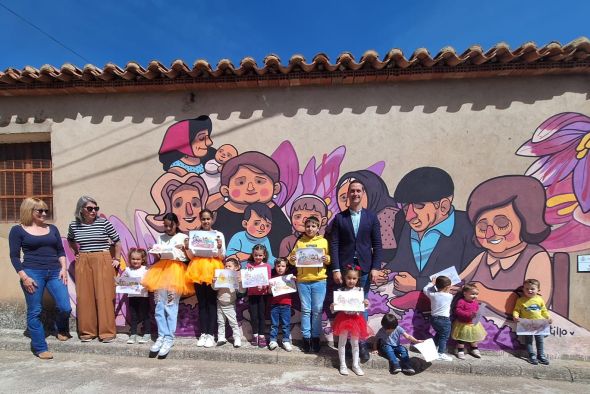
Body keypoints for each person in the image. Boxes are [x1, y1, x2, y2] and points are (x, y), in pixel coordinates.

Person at [385, 167, 481, 311]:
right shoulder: (408, 226)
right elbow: (401, 261)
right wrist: (386, 272)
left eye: (419, 206)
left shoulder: (468, 229)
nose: (409, 216)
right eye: (406, 207)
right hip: (408, 312)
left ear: (443, 206)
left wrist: (418, 284)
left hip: (448, 310)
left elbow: (465, 278)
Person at [460, 175, 552, 316]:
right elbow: (458, 279)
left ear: (527, 221)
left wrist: (484, 293)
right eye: (482, 227)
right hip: (481, 326)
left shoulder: (535, 256)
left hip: (514, 330)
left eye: (502, 224)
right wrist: (441, 281)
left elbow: (536, 302)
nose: (489, 234)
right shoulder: (484, 257)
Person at [9, 198, 72, 359]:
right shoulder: (18, 230)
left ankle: (61, 328)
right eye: (40, 211)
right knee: (35, 311)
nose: (44, 214)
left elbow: (60, 250)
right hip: (32, 273)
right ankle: (40, 347)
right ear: (29, 211)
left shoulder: (52, 228)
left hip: (55, 272)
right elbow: (15, 257)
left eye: (46, 210)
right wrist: (24, 277)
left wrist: (63, 268)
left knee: (65, 307)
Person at [329, 179, 382, 361]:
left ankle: (360, 343)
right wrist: (336, 268)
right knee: (345, 306)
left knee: (362, 305)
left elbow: (377, 244)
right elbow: (334, 244)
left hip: (365, 269)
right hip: (344, 270)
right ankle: (345, 344)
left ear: (363, 193)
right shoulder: (339, 218)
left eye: (358, 191)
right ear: (348, 195)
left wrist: (375, 267)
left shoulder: (372, 217)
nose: (355, 194)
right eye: (352, 191)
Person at [216, 151, 291, 257]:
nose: (250, 188)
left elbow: (282, 241)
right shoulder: (221, 216)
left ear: (275, 188)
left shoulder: (274, 213)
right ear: (225, 190)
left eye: (259, 181)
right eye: (241, 182)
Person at [67, 196, 121, 343]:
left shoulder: (104, 223)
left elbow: (117, 241)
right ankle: (87, 332)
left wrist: (116, 258)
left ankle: (107, 333)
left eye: (95, 208)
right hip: (83, 259)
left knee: (104, 296)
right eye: (90, 208)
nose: (93, 211)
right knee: (85, 296)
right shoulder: (74, 225)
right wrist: (76, 253)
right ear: (81, 210)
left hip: (102, 258)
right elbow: (70, 239)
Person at [142, 213, 193, 357]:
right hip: (160, 272)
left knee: (171, 305)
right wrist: (156, 251)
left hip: (176, 272)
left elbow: (190, 257)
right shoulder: (161, 237)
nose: (168, 228)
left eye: (171, 225)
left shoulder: (183, 237)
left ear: (176, 224)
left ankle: (169, 337)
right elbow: (158, 255)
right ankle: (161, 336)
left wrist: (185, 249)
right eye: (166, 225)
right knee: (159, 305)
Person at [335, 170, 404, 262]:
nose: (348, 203)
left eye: (358, 192)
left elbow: (384, 251)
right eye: (344, 198)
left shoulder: (386, 216)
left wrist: (375, 268)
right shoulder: (341, 218)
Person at [288, 216, 330, 353]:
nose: (310, 229)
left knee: (317, 310)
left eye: (313, 226)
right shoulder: (300, 242)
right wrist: (292, 259)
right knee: (306, 310)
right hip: (303, 280)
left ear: (318, 228)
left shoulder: (323, 241)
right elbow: (292, 259)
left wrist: (326, 258)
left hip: (319, 280)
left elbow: (329, 259)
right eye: (308, 226)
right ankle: (306, 338)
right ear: (304, 228)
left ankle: (315, 338)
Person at [185, 209, 226, 348]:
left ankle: (211, 334)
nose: (206, 221)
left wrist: (219, 247)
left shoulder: (218, 235)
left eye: (208, 219)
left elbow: (222, 256)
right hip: (197, 270)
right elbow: (191, 256)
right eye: (203, 219)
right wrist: (187, 248)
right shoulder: (195, 235)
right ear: (200, 219)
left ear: (212, 219)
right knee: (202, 303)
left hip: (213, 269)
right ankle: (203, 333)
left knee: (212, 302)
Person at [330, 265, 370, 376]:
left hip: (356, 320)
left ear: (358, 279)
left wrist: (366, 304)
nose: (351, 281)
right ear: (344, 278)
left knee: (355, 343)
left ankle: (355, 365)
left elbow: (363, 307)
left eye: (354, 278)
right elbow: (335, 309)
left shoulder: (360, 290)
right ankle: (342, 364)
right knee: (342, 342)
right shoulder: (340, 291)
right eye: (349, 278)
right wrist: (333, 306)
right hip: (343, 319)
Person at [512, 279, 552, 365]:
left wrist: (548, 317)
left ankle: (541, 355)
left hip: (539, 323)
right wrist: (515, 316)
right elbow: (516, 310)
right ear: (523, 289)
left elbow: (544, 310)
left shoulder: (540, 299)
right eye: (527, 289)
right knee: (528, 340)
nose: (529, 290)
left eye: (532, 289)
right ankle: (531, 355)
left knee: (540, 340)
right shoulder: (521, 300)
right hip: (527, 324)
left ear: (538, 290)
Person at [226, 202, 275, 268]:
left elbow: (269, 258)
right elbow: (229, 256)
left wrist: (280, 262)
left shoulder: (265, 239)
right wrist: (242, 256)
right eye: (256, 223)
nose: (262, 228)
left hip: (258, 272)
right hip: (241, 271)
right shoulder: (238, 237)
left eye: (267, 225)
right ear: (245, 224)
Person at [118, 248, 151, 344]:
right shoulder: (127, 270)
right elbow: (122, 281)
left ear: (142, 260)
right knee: (133, 315)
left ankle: (147, 333)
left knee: (146, 315)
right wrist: (118, 283)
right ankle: (133, 334)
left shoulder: (146, 269)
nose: (135, 261)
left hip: (144, 296)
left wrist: (144, 282)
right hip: (132, 297)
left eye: (138, 259)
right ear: (130, 259)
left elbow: (150, 280)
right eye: (133, 259)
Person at [245, 244, 273, 348]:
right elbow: (247, 279)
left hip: (262, 295)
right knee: (254, 316)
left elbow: (268, 280)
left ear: (264, 255)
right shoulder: (249, 265)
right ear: (253, 254)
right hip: (252, 295)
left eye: (260, 255)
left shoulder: (267, 266)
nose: (258, 257)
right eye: (256, 255)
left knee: (262, 316)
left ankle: (261, 336)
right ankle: (255, 335)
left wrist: (264, 285)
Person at [213, 256, 244, 348]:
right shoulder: (221, 276)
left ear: (236, 268)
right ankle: (221, 337)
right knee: (220, 321)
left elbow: (242, 291)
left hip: (230, 304)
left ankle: (237, 338)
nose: (227, 268)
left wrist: (240, 283)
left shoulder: (235, 278)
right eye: (226, 266)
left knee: (233, 322)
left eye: (229, 266)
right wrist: (214, 282)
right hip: (220, 302)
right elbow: (215, 288)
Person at [451, 282, 487, 359]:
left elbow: (477, 311)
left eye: (476, 294)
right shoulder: (461, 301)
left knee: (474, 338)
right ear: (465, 293)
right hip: (463, 324)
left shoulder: (475, 303)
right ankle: (460, 351)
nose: (475, 296)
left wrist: (478, 314)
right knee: (461, 339)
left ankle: (474, 349)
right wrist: (469, 314)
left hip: (473, 324)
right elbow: (458, 311)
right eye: (472, 294)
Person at [423, 276, 454, 361]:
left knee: (439, 334)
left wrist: (431, 284)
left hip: (434, 319)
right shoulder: (449, 296)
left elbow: (425, 289)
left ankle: (431, 349)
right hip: (444, 320)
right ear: (447, 287)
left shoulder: (433, 295)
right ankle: (441, 353)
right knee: (444, 337)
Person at [268, 257, 294, 352]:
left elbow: (295, 287)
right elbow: (269, 292)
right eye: (278, 266)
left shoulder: (289, 278)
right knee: (274, 324)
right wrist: (270, 288)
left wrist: (294, 280)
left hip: (286, 304)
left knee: (286, 324)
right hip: (274, 304)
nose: (280, 268)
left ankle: (286, 340)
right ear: (275, 267)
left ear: (286, 268)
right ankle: (273, 340)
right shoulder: (272, 278)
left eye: (283, 266)